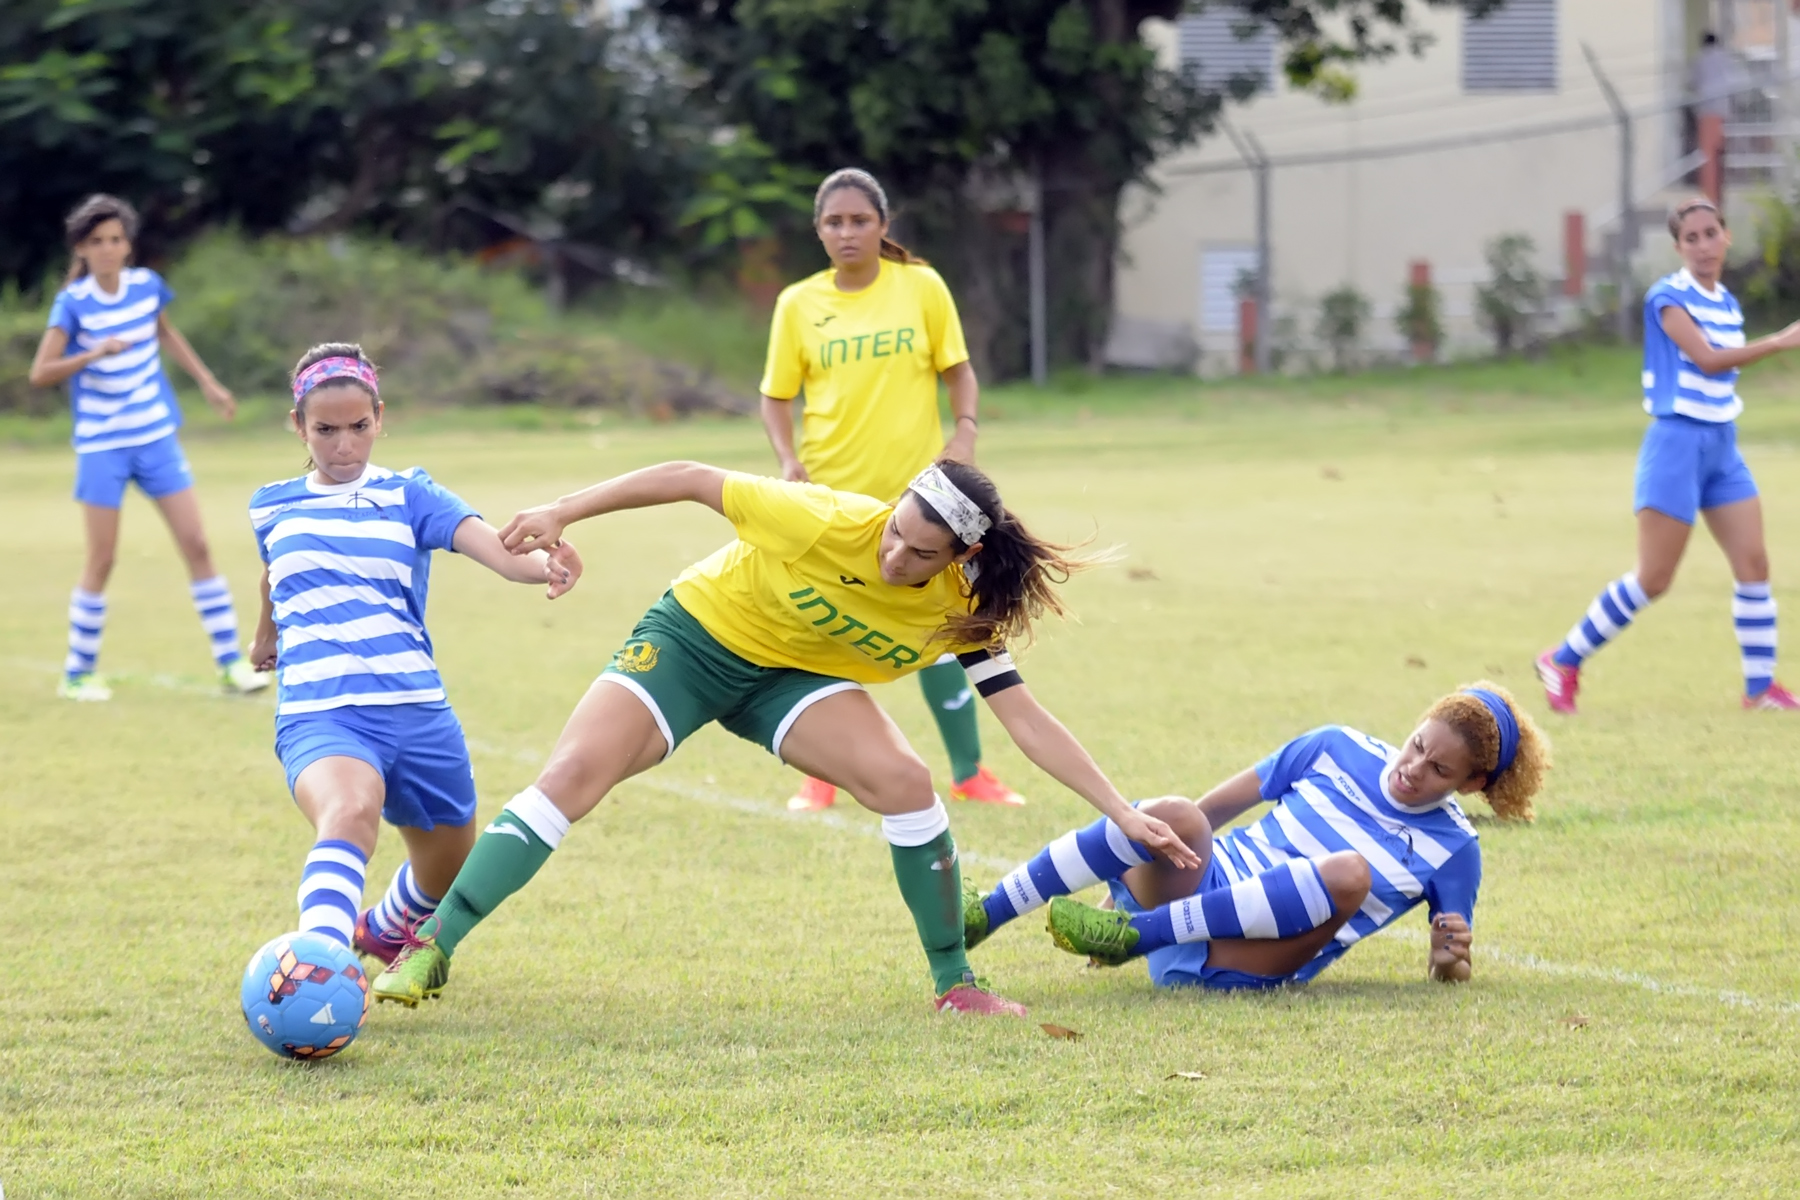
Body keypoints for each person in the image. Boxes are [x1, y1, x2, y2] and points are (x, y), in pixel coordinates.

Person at [369, 458, 1199, 1016]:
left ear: (964, 553)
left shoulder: (963, 606)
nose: (893, 554)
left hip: (792, 682)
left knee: (907, 783)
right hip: (697, 638)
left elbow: (1023, 717)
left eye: (919, 552)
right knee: (574, 778)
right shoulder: (827, 519)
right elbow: (692, 478)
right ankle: (431, 946)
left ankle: (955, 982)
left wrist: (1121, 811)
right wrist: (562, 509)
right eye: (894, 532)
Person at [247, 343, 582, 965]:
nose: (344, 446)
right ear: (297, 425)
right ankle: (320, 962)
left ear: (380, 417)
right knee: (348, 812)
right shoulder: (271, 504)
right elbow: (275, 575)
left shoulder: (411, 496)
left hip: (418, 710)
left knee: (449, 864)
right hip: (323, 711)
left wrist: (547, 565)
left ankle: (379, 930)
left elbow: (499, 551)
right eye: (325, 430)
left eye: (359, 427)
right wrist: (266, 635)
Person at [965, 683, 1548, 989]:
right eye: (1418, 745)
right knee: (1176, 812)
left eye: (1439, 771)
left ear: (1472, 784)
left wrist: (1449, 961)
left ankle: (1134, 938)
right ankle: (983, 915)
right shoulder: (1333, 745)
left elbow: (1450, 965)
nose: (1413, 768)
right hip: (1195, 893)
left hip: (1245, 959)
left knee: (1348, 873)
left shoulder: (1456, 850)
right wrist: (1130, 876)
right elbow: (1210, 813)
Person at [760, 167, 1021, 812]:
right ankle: (820, 777)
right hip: (836, 505)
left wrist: (964, 431)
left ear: (883, 226)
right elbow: (774, 397)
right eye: (834, 222)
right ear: (819, 231)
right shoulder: (798, 303)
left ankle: (969, 773)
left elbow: (958, 372)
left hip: (923, 504)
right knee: (824, 637)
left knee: (945, 632)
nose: (847, 233)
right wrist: (788, 459)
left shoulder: (922, 287)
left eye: (860, 220)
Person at [1538, 198, 1800, 713]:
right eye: (1691, 239)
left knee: (1753, 563)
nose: (1703, 246)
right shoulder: (1667, 296)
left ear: (1726, 236)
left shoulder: (1725, 300)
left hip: (1722, 445)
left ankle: (1759, 689)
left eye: (1710, 234)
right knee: (1654, 578)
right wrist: (1780, 341)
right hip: (1677, 444)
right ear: (1678, 247)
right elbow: (1706, 359)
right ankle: (1563, 659)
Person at [27, 194, 267, 701]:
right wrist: (93, 352)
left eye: (116, 239)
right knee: (103, 557)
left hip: (155, 435)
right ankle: (78, 673)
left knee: (198, 544)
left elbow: (167, 334)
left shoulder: (146, 288)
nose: (109, 249)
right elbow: (40, 372)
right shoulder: (73, 303)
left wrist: (208, 382)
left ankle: (232, 665)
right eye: (97, 241)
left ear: (128, 244)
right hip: (102, 444)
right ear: (82, 249)